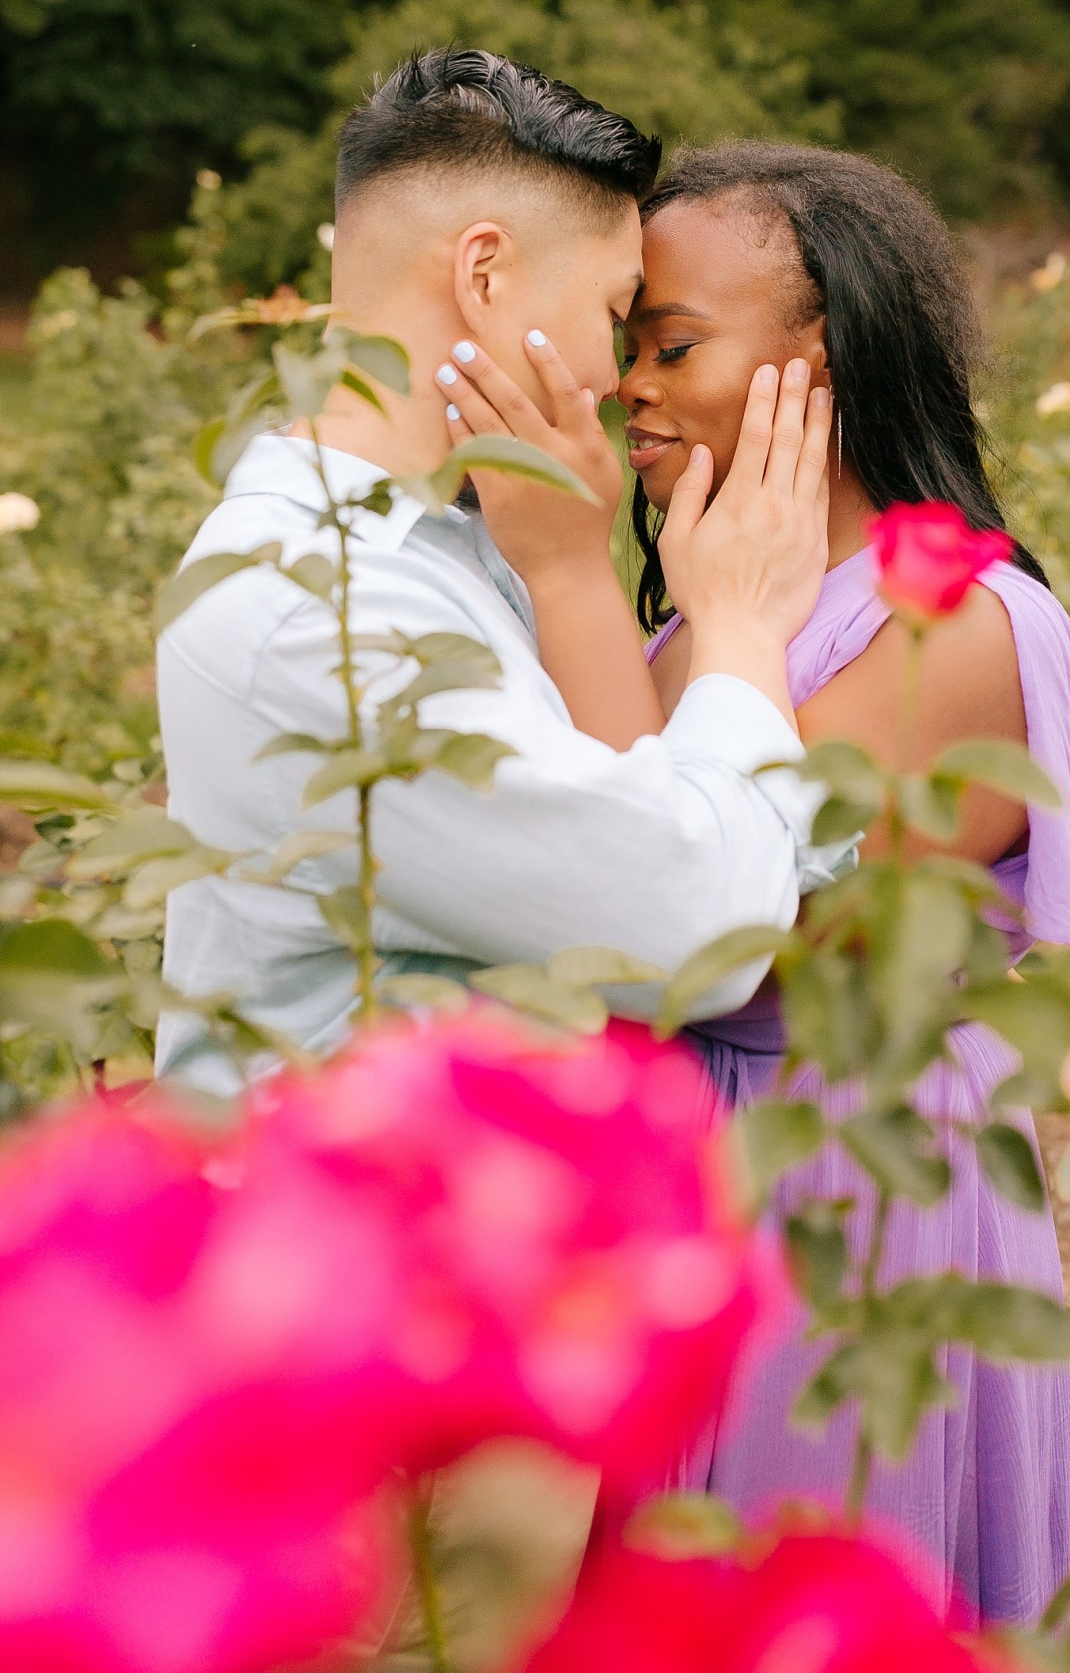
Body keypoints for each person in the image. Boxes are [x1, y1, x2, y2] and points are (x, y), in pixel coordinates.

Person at [442, 141, 1070, 1626]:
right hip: (697, 1185)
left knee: (794, 1604)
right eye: (626, 350)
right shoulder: (713, 621)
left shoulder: (954, 626)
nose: (630, 390)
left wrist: (570, 581)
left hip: (847, 1193)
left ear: (826, 352)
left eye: (672, 346)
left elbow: (699, 926)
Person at [156, 56, 833, 1091]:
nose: (614, 379)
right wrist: (740, 632)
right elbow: (695, 934)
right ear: (483, 276)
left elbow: (623, 800)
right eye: (612, 316)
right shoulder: (319, 609)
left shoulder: (450, 537)